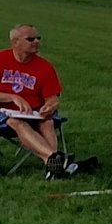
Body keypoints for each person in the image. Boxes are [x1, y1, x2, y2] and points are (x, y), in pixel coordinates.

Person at [1, 25, 97, 179]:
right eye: (30, 39)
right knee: (15, 121)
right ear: (15, 42)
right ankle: (58, 160)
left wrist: (51, 106)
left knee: (48, 121)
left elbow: (53, 98)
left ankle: (53, 164)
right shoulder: (1, 59)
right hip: (4, 114)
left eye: (38, 38)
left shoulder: (45, 67)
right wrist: (13, 97)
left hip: (34, 113)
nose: (36, 42)